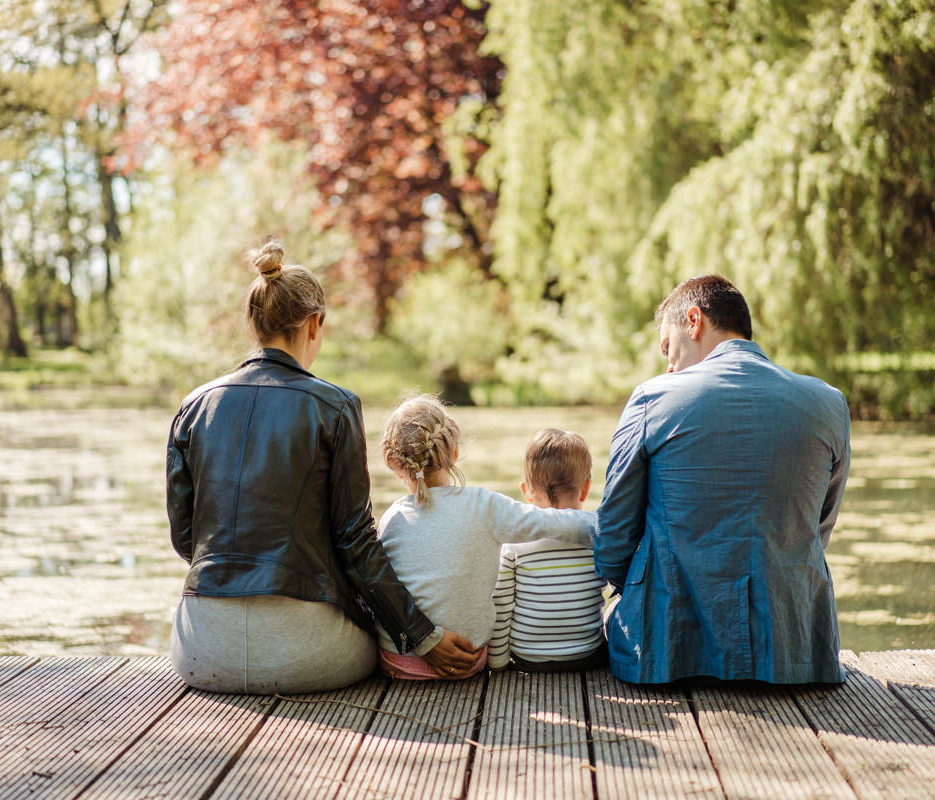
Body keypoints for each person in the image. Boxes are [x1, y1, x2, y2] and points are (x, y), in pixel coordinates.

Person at [166, 238, 478, 694]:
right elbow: (356, 542)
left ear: (254, 324)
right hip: (303, 655)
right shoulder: (335, 406)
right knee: (378, 636)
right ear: (315, 324)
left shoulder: (193, 406)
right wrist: (423, 636)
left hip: (200, 651)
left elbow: (185, 539)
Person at [595, 275, 851, 685]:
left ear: (693, 321)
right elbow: (817, 529)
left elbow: (613, 539)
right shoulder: (829, 403)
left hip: (667, 655)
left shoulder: (653, 399)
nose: (669, 365)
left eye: (668, 347)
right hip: (795, 657)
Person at [374, 396, 597, 680]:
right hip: (469, 660)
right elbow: (551, 522)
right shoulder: (484, 505)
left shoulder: (392, 518)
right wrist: (612, 522)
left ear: (393, 462)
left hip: (400, 663)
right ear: (455, 452)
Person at [488, 429, 608, 672]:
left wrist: (498, 662)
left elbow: (501, 603)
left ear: (525, 490)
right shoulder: (599, 534)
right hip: (586, 653)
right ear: (586, 489)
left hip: (528, 657)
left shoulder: (514, 541)